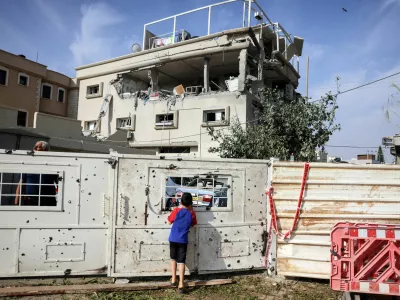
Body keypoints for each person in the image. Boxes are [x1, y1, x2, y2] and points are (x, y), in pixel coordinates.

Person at [167, 192, 197, 293]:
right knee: (181, 261)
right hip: (183, 240)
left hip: (173, 238)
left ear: (181, 201)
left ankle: (174, 279)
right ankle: (181, 285)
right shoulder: (191, 213)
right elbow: (194, 224)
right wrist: (191, 210)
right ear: (190, 203)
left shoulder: (176, 210)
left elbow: (169, 221)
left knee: (173, 259)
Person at [14, 141, 58, 206]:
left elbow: (59, 182)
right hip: (30, 200)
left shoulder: (52, 164)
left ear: (45, 150)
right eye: (35, 146)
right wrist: (16, 201)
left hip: (48, 200)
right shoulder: (28, 163)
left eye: (38, 147)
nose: (34, 148)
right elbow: (21, 182)